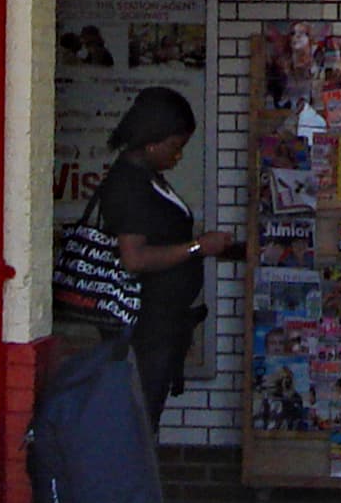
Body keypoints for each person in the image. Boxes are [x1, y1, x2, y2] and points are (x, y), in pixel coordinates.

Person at [92, 86, 237, 423]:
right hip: (143, 326)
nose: (178, 156)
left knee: (148, 412)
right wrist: (199, 246)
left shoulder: (149, 178)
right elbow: (135, 257)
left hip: (162, 323)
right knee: (139, 416)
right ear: (152, 140)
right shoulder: (129, 184)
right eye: (175, 146)